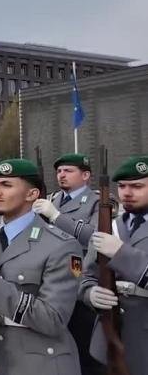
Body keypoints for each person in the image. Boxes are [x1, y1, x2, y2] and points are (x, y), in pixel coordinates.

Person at [0, 159, 82, 374]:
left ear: (32, 194)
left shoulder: (61, 245)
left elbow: (53, 319)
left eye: (6, 185)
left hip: (41, 362)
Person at [33, 153, 102, 375]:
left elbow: (95, 237)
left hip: (79, 274)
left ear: (86, 175)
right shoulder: (50, 199)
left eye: (68, 171)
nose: (62, 175)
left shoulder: (98, 202)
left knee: (83, 342)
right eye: (59, 171)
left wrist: (56, 216)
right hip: (49, 275)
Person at [79, 155, 148, 373]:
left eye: (137, 186)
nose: (127, 192)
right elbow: (86, 274)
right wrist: (90, 293)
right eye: (122, 186)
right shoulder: (111, 226)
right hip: (109, 334)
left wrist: (121, 253)